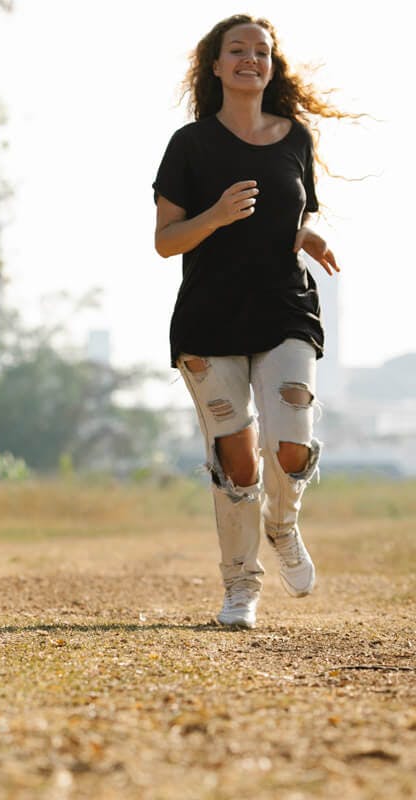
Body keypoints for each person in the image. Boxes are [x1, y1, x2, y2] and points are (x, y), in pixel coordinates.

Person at [152, 15, 350, 628]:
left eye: (260, 51)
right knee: (237, 459)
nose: (249, 59)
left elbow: (287, 217)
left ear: (272, 65)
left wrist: (307, 233)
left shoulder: (296, 138)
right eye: (236, 50)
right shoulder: (190, 145)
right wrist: (212, 216)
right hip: (210, 317)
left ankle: (282, 525)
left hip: (284, 306)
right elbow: (165, 242)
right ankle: (241, 587)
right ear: (215, 66)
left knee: (290, 443)